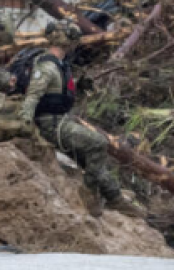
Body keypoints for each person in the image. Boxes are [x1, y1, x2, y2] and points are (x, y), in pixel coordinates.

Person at [18, 20, 147, 219]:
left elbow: (55, 90)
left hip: (60, 120)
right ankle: (88, 193)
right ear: (67, 40)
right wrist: (25, 126)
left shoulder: (59, 64)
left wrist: (78, 85)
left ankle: (114, 197)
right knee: (98, 143)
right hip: (50, 125)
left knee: (93, 161)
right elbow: (33, 96)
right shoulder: (46, 67)